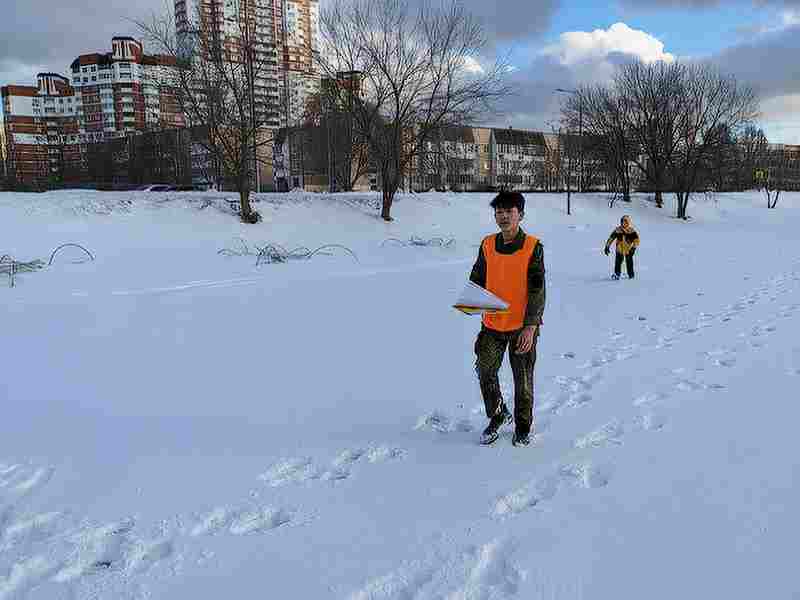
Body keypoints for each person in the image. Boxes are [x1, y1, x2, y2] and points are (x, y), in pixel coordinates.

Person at [469, 191, 546, 446]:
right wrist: (472, 300)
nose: (503, 216)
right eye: (499, 212)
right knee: (485, 372)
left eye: (509, 212)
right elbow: (477, 277)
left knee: (522, 381)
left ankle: (523, 426)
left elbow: (537, 289)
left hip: (521, 327)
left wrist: (531, 327)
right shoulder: (488, 244)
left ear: (520, 215)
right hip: (492, 325)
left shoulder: (533, 247)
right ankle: (498, 414)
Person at [604, 215, 639, 280]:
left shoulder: (631, 231)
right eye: (622, 222)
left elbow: (636, 240)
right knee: (618, 262)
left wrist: (633, 248)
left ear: (628, 222)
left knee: (629, 262)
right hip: (619, 249)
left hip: (628, 250)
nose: (623, 224)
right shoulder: (618, 230)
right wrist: (607, 246)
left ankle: (631, 275)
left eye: (625, 222)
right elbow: (611, 238)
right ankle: (617, 274)